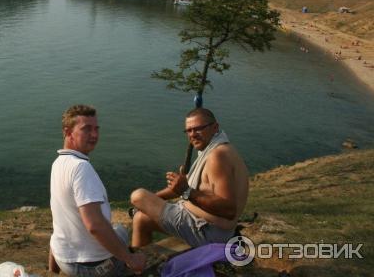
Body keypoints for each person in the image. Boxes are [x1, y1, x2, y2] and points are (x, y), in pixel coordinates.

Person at [130, 108, 249, 248]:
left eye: (199, 129)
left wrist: (186, 191)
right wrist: (156, 199)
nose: (193, 135)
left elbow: (228, 211)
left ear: (215, 127)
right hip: (203, 224)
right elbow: (187, 186)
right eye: (189, 130)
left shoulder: (217, 156)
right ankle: (138, 265)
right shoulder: (216, 148)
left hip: (210, 233)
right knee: (141, 219)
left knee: (139, 196)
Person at [49, 104, 146, 276]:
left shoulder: (58, 163)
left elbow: (59, 219)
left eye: (96, 129)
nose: (94, 135)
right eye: (86, 129)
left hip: (64, 258)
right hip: (90, 268)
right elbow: (94, 225)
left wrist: (53, 269)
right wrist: (131, 260)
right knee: (125, 235)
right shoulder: (80, 168)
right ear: (67, 132)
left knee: (119, 230)